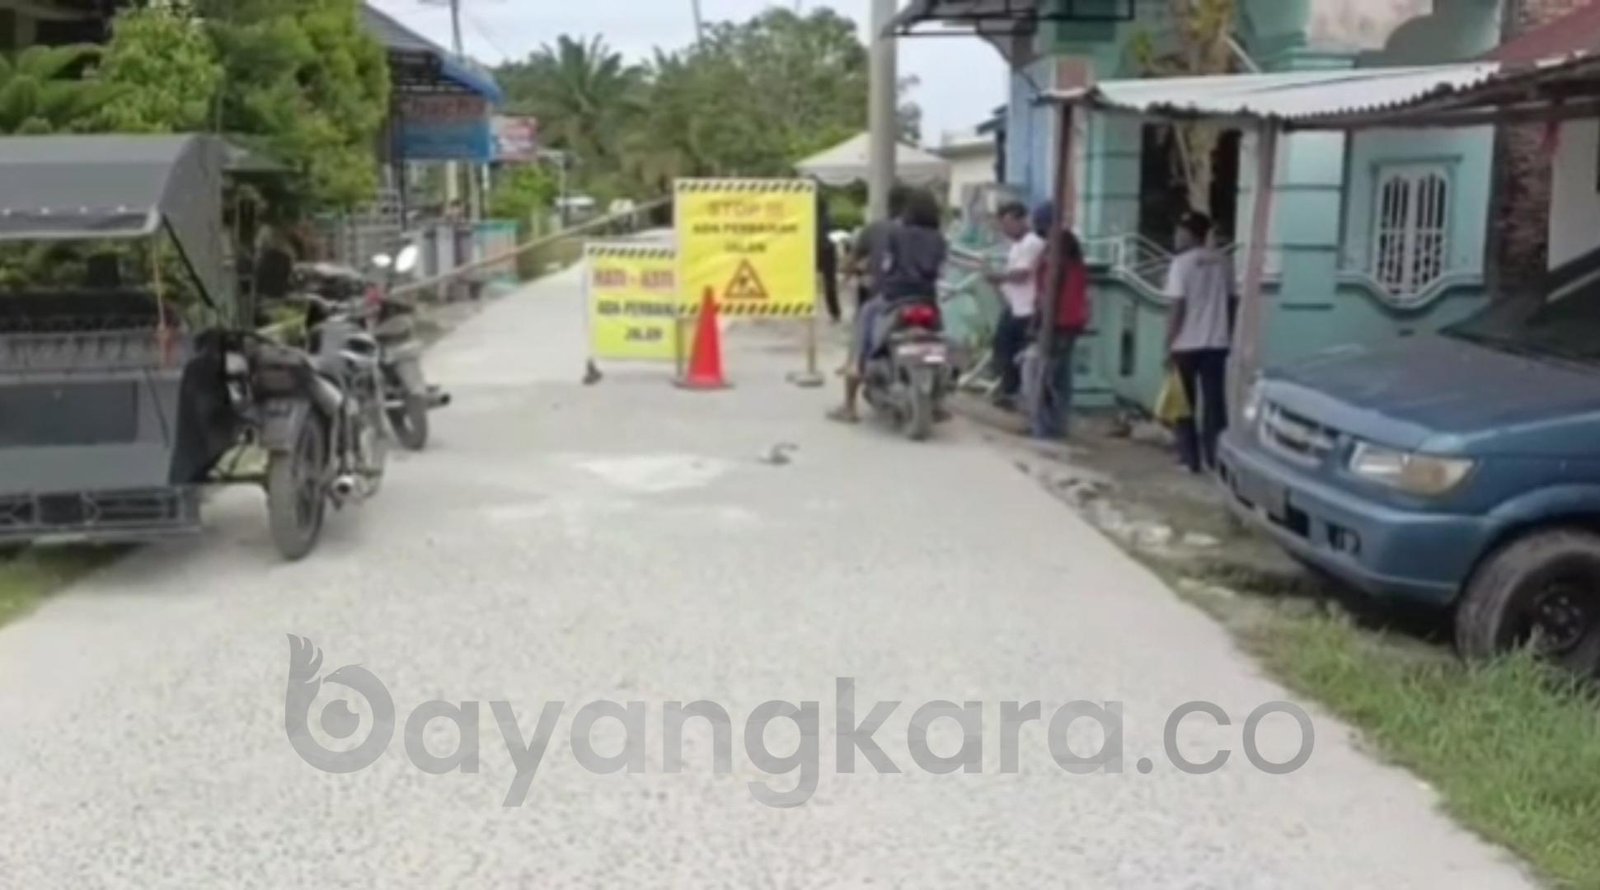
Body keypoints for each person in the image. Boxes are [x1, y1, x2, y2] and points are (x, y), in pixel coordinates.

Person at [830, 188, 947, 423]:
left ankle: (849, 407)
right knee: (939, 338)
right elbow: (941, 271)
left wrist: (870, 275)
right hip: (927, 300)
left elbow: (887, 265)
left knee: (860, 339)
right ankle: (937, 403)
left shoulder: (894, 233)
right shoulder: (940, 240)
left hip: (893, 297)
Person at [1164, 210, 1235, 473]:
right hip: (1217, 342)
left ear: (1191, 234)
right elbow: (1231, 301)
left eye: (1181, 231)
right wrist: (1229, 331)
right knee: (1215, 404)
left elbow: (1177, 307)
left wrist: (1168, 342)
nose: (1177, 235)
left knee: (1184, 404)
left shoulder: (1181, 265)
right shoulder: (1224, 262)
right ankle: (1216, 458)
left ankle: (1188, 458)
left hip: (1185, 343)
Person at [986, 201, 1047, 408]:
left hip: (1028, 308)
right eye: (1002, 224)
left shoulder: (1033, 243)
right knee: (1003, 347)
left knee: (1019, 352)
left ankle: (1017, 393)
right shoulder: (1016, 247)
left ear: (1021, 220)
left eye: (1008, 223)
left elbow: (1022, 274)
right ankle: (1008, 390)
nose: (1005, 229)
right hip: (1015, 306)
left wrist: (999, 277)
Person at [1031, 227, 1089, 440]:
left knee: (1046, 376)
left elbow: (1044, 295)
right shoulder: (1078, 267)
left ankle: (1045, 426)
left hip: (1054, 325)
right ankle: (1060, 423)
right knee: (1062, 377)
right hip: (1072, 325)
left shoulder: (1052, 267)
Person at [849, 185, 910, 312]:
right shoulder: (923, 232)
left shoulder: (873, 229)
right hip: (917, 297)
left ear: (888, 205)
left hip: (881, 296)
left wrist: (853, 272)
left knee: (866, 319)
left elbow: (852, 260)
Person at [815, 189, 842, 323]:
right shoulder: (826, 215)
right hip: (826, 248)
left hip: (815, 247)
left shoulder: (807, 213)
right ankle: (834, 312)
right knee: (829, 283)